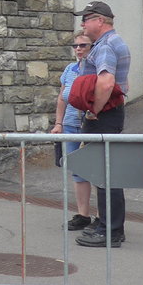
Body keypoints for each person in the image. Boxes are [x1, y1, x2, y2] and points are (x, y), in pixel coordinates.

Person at [72, 1, 131, 248]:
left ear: (99, 21)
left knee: (106, 174)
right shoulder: (111, 42)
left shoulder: (105, 45)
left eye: (86, 19)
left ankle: (111, 231)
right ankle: (106, 224)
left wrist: (93, 111)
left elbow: (106, 83)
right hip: (109, 115)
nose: (83, 24)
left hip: (104, 117)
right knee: (104, 172)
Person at [52, 30, 94, 230]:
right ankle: (83, 215)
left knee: (98, 171)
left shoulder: (97, 69)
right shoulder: (70, 69)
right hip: (70, 124)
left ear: (92, 47)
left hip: (91, 126)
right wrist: (58, 123)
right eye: (75, 46)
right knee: (77, 171)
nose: (78, 49)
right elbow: (62, 98)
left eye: (83, 45)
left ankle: (103, 217)